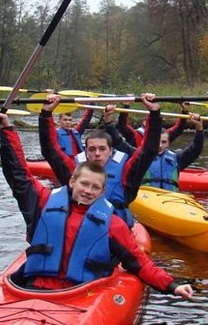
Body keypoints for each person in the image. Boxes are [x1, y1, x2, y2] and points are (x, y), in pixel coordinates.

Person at [0, 111, 193, 298]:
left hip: (82, 293)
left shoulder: (113, 224)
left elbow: (138, 262)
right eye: (84, 184)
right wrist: (7, 130)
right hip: (33, 288)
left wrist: (172, 286)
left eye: (95, 187)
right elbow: (18, 174)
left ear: (103, 192)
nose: (88, 191)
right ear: (72, 182)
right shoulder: (43, 202)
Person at [39, 92, 161, 228]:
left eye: (102, 149)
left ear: (110, 151)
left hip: (116, 229)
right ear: (86, 153)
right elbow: (50, 150)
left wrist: (154, 113)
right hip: (84, 230)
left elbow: (148, 150)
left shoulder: (127, 171)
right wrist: (46, 114)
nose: (97, 154)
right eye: (92, 149)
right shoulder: (74, 170)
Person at [113, 113, 206, 192]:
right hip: (146, 198)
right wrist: (108, 121)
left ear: (169, 143)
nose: (160, 145)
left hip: (170, 199)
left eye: (164, 142)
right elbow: (119, 142)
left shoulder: (177, 159)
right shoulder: (139, 156)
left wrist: (199, 128)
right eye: (157, 142)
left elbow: (195, 149)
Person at [116, 101, 190, 148]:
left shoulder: (163, 135)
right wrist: (126, 105)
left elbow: (179, 128)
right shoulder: (136, 135)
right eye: (149, 120)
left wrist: (184, 110)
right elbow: (123, 125)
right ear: (144, 123)